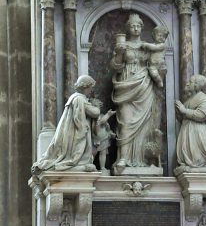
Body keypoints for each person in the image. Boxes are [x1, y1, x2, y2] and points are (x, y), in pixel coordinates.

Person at [111, 14, 160, 170]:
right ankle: (124, 158)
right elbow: (115, 66)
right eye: (133, 26)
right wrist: (119, 54)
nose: (136, 28)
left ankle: (142, 161)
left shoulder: (147, 46)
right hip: (125, 85)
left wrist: (158, 74)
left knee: (145, 126)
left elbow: (157, 63)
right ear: (128, 28)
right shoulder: (123, 46)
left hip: (144, 86)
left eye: (138, 26)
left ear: (142, 28)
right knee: (125, 123)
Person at [32, 75, 100, 172]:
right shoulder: (79, 99)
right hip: (75, 133)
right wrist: (97, 107)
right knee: (76, 155)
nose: (91, 90)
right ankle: (75, 164)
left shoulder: (74, 97)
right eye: (90, 88)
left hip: (70, 131)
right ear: (86, 87)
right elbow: (94, 112)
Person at [91, 99, 116, 173]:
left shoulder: (101, 115)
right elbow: (102, 121)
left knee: (103, 153)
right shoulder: (93, 117)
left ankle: (102, 167)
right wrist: (108, 115)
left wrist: (110, 133)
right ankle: (90, 165)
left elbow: (106, 127)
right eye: (94, 106)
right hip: (95, 138)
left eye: (97, 106)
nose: (96, 108)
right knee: (93, 153)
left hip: (104, 137)